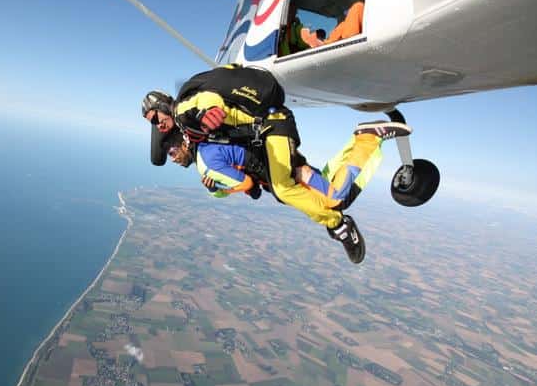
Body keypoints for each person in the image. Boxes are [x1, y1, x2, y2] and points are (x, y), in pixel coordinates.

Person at [141, 64, 410, 263]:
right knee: (335, 196)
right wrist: (218, 187)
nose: (158, 126)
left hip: (272, 127)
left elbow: (207, 101)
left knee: (284, 189)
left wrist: (213, 112)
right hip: (272, 139)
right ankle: (366, 138)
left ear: (164, 106)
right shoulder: (198, 137)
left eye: (155, 119)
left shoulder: (183, 112)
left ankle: (338, 225)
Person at [162, 120, 409, 264]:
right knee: (330, 187)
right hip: (280, 164)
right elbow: (247, 179)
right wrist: (224, 188)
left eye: (172, 152)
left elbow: (246, 184)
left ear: (184, 143)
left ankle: (368, 138)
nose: (172, 159)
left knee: (336, 199)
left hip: (283, 172)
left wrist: (222, 192)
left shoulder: (206, 162)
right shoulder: (209, 146)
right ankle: (359, 140)